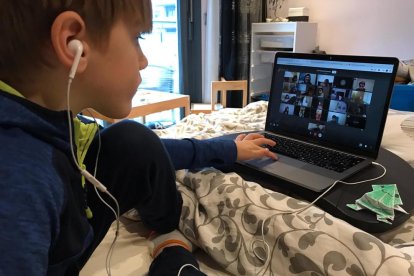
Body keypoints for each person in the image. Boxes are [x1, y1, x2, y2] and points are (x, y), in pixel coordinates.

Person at [0, 1, 278, 275]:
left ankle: (165, 227)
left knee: (131, 140)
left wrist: (228, 149)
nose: (144, 60)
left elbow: (148, 152)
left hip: (69, 234)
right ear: (72, 43)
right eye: (136, 38)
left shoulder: (51, 123)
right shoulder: (20, 178)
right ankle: (171, 248)